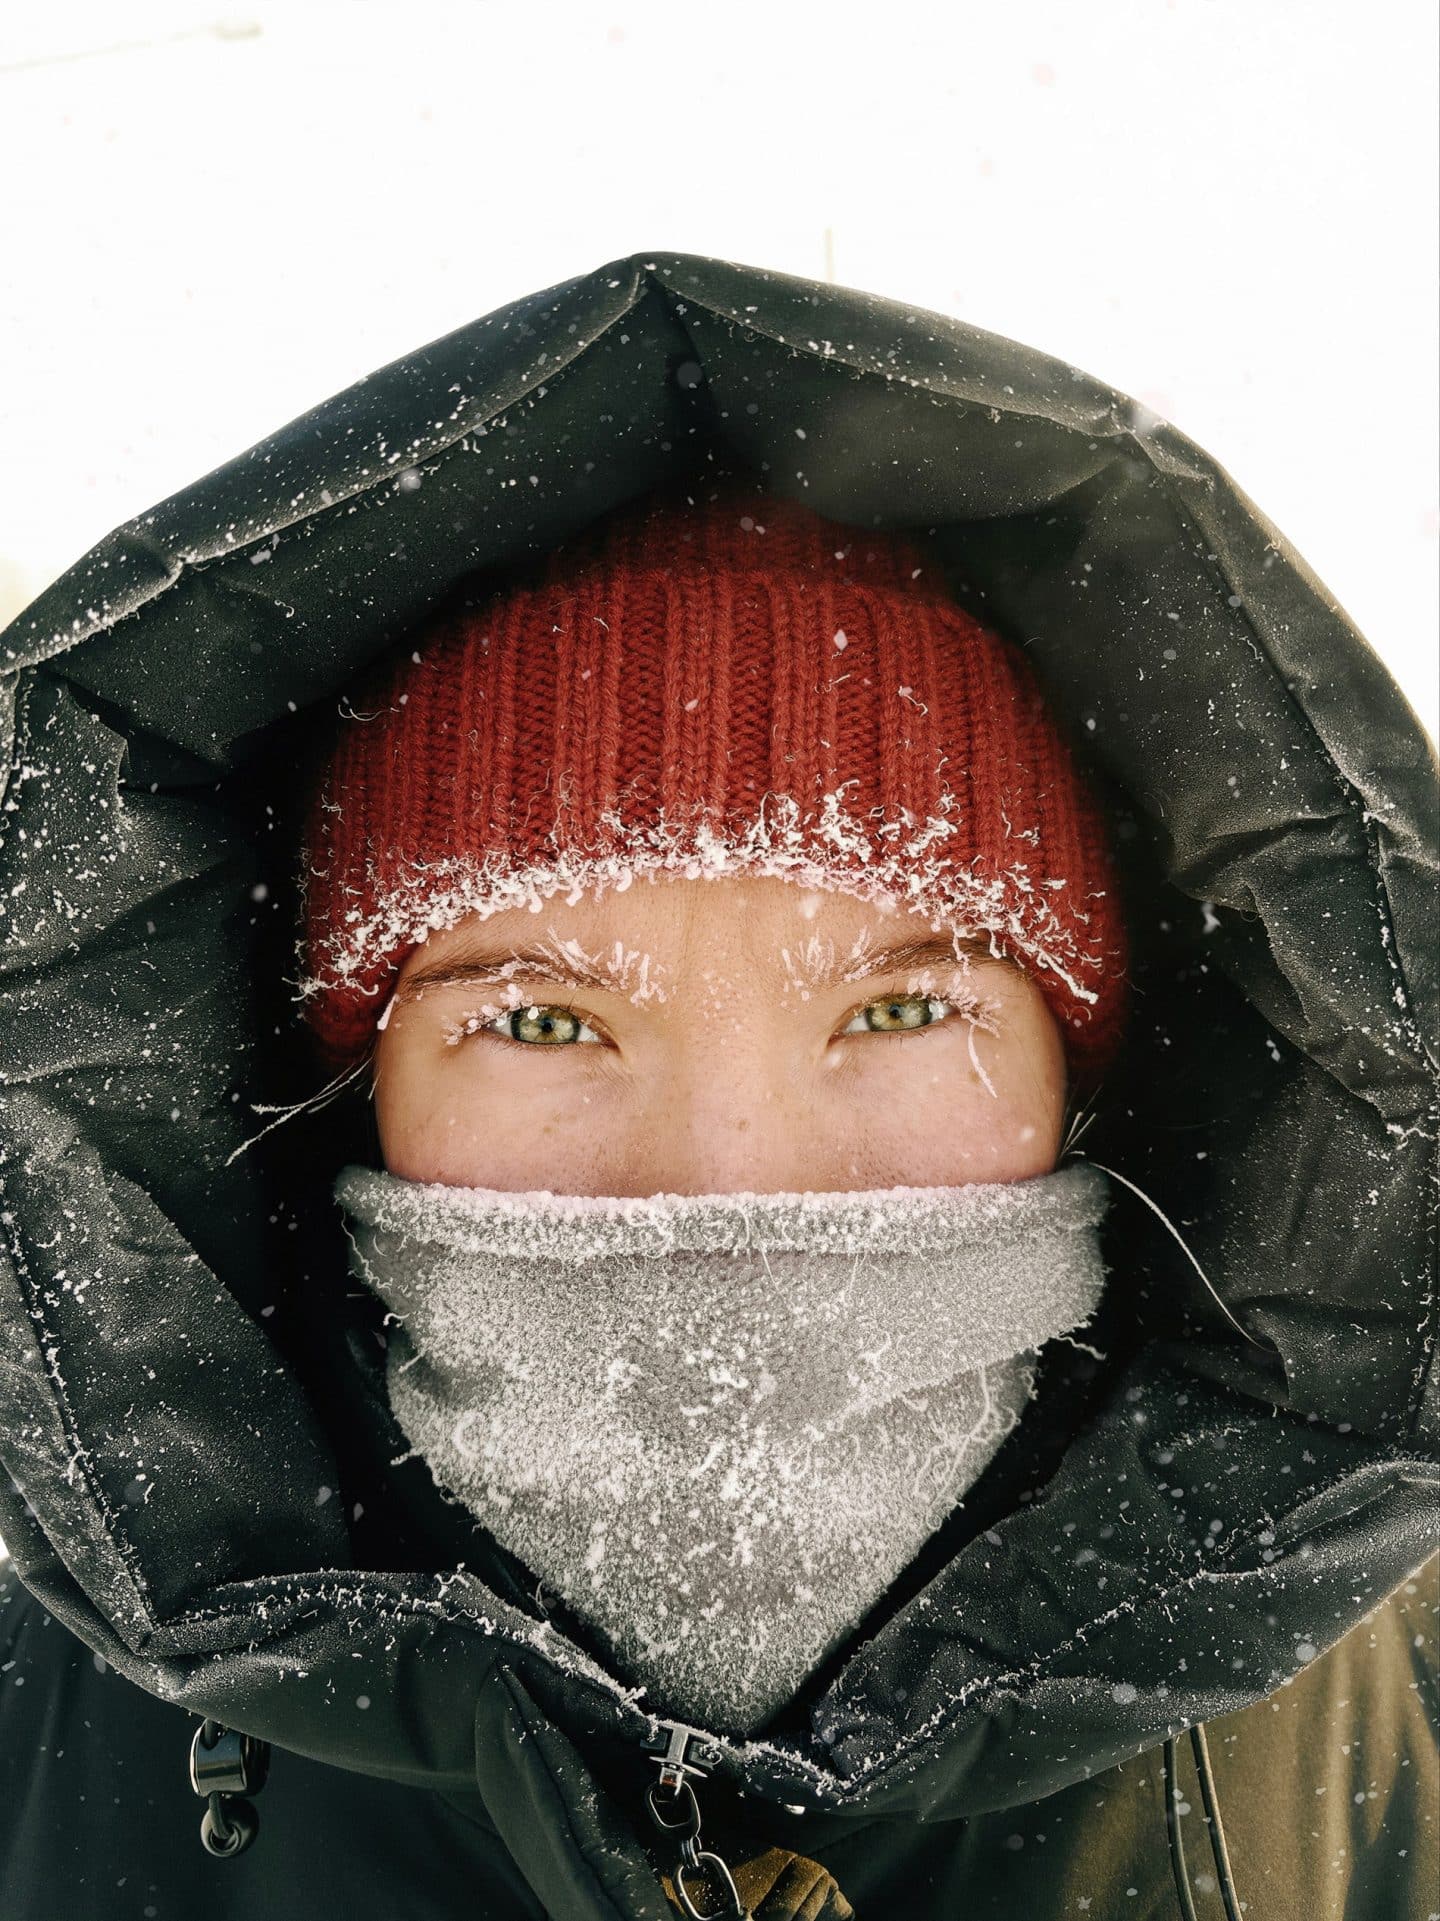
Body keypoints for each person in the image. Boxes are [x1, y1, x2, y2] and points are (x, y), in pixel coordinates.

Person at [0, 252, 1434, 1921]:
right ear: (354, 1082)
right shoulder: (48, 1712)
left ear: (1084, 1065)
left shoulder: (1384, 1681)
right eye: (539, 1023)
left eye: (902, 1007)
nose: (729, 1174)